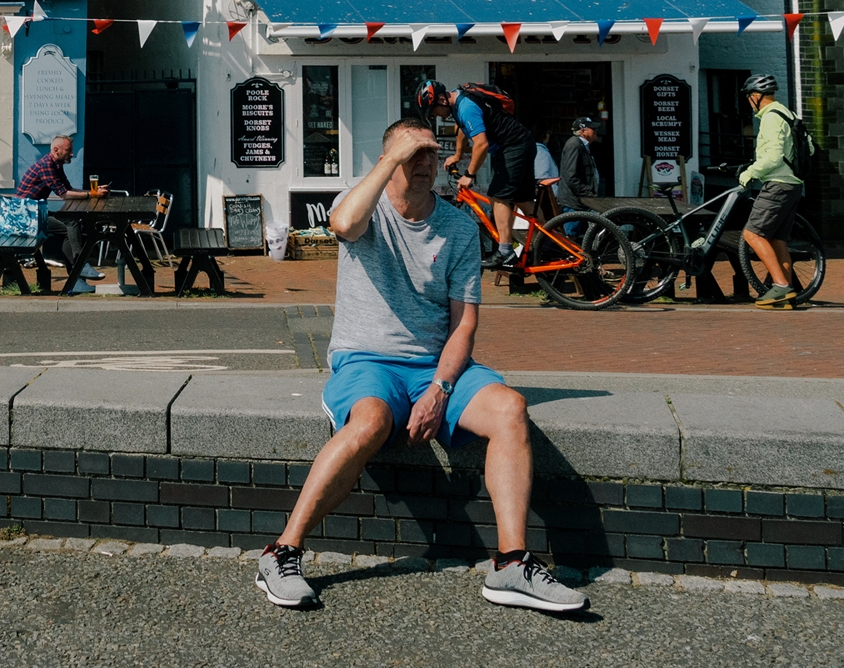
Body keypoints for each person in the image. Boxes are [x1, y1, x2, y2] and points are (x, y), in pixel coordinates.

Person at [255, 119, 586, 615]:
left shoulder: (456, 226)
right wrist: (391, 157)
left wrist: (441, 388)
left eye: (431, 152)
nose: (426, 161)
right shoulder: (366, 208)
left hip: (435, 363)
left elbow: (464, 324)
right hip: (368, 361)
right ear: (388, 160)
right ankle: (282, 553)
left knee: (510, 409)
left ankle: (511, 565)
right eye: (414, 153)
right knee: (369, 422)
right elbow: (342, 225)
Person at [418, 80, 538, 269]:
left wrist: (470, 175)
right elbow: (462, 129)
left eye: (433, 111)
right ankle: (549, 241)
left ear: (441, 100)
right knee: (523, 201)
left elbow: (481, 144)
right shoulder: (459, 101)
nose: (436, 116)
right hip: (519, 144)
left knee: (498, 197)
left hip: (513, 146)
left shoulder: (466, 107)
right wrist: (457, 155)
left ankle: (506, 252)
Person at [738, 74, 804, 309]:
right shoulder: (788, 114)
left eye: (748, 97)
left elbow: (774, 157)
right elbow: (811, 148)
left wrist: (750, 172)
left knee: (752, 234)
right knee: (777, 240)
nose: (748, 101)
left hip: (777, 184)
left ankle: (780, 286)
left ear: (755, 96)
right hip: (793, 184)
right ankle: (787, 295)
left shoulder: (771, 118)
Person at [18, 135, 106, 290]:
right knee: (71, 223)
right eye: (68, 150)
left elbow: (70, 189)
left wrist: (94, 191)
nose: (72, 154)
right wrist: (92, 195)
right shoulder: (46, 165)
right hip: (25, 215)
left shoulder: (56, 165)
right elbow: (64, 194)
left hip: (36, 211)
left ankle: (76, 280)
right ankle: (80, 266)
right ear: (56, 150)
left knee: (70, 229)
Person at [552, 118, 602, 213]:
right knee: (573, 227)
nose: (596, 130)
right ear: (583, 131)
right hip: (573, 204)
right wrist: (587, 193)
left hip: (581, 203)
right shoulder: (574, 145)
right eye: (592, 128)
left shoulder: (583, 145)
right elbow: (571, 176)